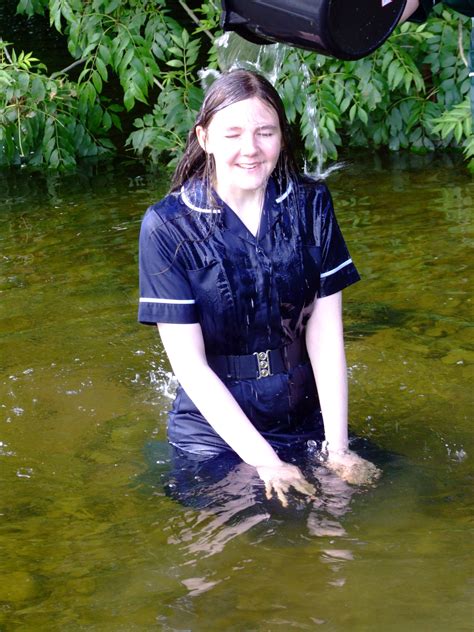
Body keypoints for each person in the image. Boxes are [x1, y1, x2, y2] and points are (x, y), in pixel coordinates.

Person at [138, 69, 380, 508]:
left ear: (281, 138)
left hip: (302, 412)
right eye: (233, 134)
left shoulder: (311, 204)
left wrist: (337, 449)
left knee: (367, 505)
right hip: (215, 432)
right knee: (249, 535)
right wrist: (267, 463)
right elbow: (190, 367)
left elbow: (325, 335)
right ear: (205, 138)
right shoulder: (167, 226)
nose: (250, 149)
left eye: (265, 132)